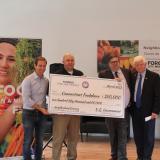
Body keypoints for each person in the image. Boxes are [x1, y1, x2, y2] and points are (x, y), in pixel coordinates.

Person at [98, 54, 131, 160]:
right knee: (112, 134)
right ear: (109, 64)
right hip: (110, 110)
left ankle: (122, 157)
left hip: (123, 110)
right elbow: (100, 90)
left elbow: (131, 88)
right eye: (112, 62)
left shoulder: (127, 72)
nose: (115, 63)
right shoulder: (103, 74)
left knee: (122, 134)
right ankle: (114, 155)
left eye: (116, 61)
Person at [52, 53, 83, 160]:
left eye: (72, 60)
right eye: (67, 60)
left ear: (74, 62)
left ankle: (71, 157)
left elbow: (85, 91)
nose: (70, 62)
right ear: (63, 62)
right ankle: (55, 158)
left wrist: (87, 83)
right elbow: (50, 93)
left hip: (75, 112)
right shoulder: (56, 75)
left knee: (73, 138)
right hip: (61, 113)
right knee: (58, 139)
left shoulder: (80, 74)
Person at [130, 55, 160, 160]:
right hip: (135, 112)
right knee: (138, 136)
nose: (139, 66)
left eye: (141, 64)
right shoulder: (132, 76)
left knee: (148, 137)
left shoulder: (154, 76)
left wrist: (155, 111)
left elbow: (158, 95)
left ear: (145, 64)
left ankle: (147, 158)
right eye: (136, 65)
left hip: (149, 113)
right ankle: (140, 156)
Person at [21, 56, 49, 160]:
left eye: (44, 66)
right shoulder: (27, 80)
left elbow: (48, 96)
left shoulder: (46, 81)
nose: (42, 68)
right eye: (40, 65)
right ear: (35, 66)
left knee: (40, 140)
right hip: (29, 113)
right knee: (28, 140)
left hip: (41, 115)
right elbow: (27, 100)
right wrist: (42, 109)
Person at [0, 42, 22, 146]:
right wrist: (17, 104)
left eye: (11, 59)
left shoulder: (20, 90)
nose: (4, 64)